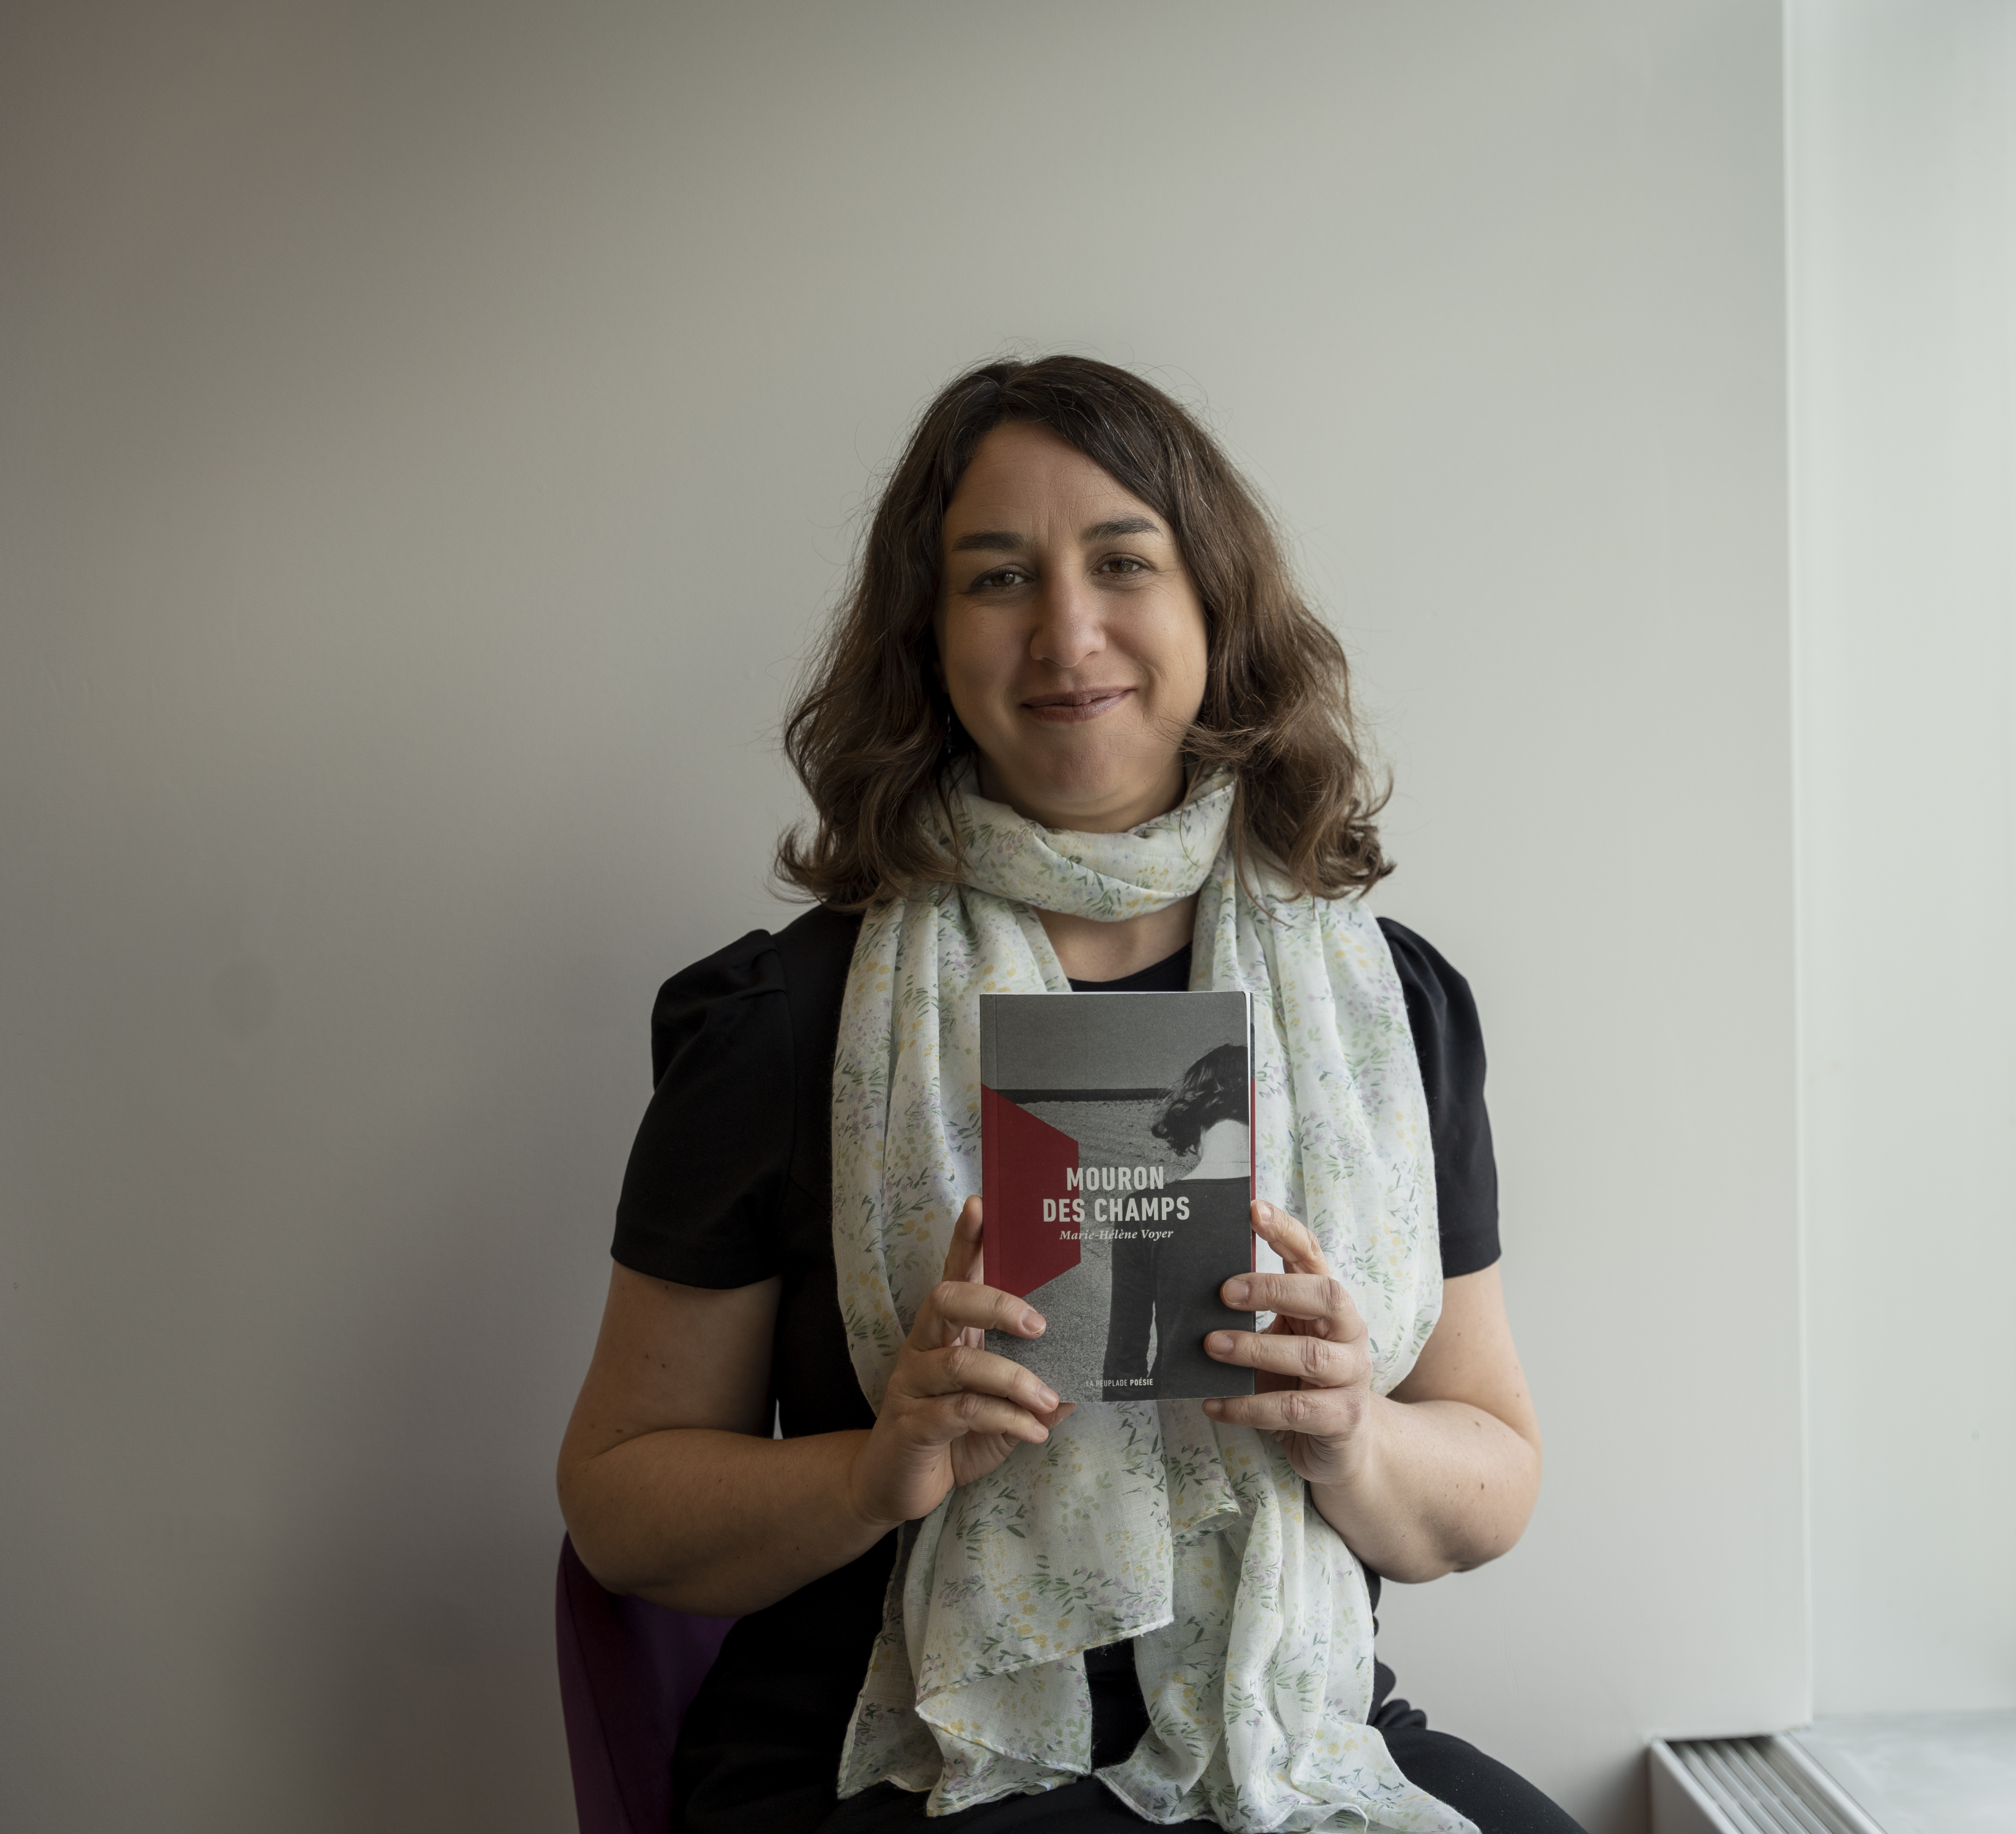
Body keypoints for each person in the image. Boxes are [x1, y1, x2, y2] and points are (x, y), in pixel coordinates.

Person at [556, 356, 1571, 1834]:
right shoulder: (788, 1021)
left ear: (1213, 606)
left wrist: (1353, 1427)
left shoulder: (1383, 1006)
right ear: (930, 636)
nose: (1066, 630)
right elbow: (620, 1498)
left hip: (1275, 1725)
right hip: (901, 1750)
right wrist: (876, 1464)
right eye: (995, 577)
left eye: (1121, 562)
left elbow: (1491, 1477)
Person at [1105, 1044, 1254, 1396]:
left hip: (1174, 1411)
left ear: (1192, 1113)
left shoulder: (1144, 1210)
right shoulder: (1278, 1206)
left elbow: (1125, 1356)